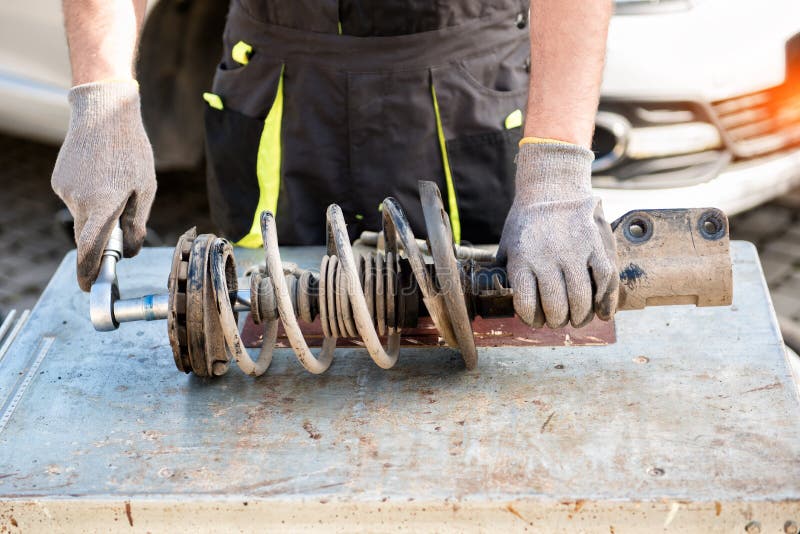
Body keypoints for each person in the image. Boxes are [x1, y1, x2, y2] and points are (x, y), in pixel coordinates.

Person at [51, 0, 619, 330]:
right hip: (280, 96)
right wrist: (102, 104)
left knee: (490, 340)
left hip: (466, 97)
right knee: (266, 338)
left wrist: (555, 170)